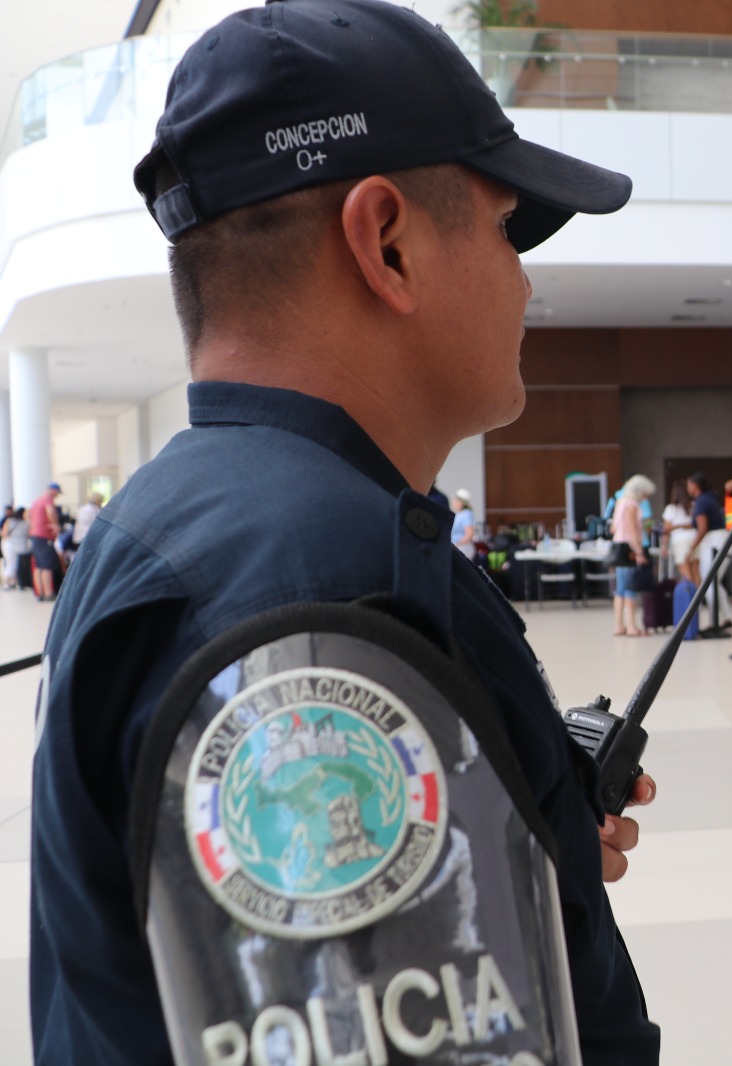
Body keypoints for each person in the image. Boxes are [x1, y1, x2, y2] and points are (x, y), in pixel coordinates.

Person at [31, 3, 659, 1061]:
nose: (526, 279)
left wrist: (517, 831)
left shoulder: (179, 523)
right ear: (388, 244)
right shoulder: (319, 594)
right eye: (507, 230)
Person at [611, 475, 653, 637]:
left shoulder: (620, 502)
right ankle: (631, 626)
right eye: (645, 494)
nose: (645, 498)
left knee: (620, 589)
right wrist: (639, 552)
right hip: (629, 549)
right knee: (630, 588)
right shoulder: (633, 505)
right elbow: (632, 530)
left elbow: (613, 528)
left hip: (618, 548)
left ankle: (618, 625)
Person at [686, 471, 723, 585]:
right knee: (711, 583)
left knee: (709, 583)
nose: (687, 488)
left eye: (688, 485)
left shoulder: (702, 501)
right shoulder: (709, 497)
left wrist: (691, 549)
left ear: (695, 485)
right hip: (718, 538)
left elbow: (702, 528)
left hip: (714, 540)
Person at [27, 481, 62, 600]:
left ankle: (40, 593)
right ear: (53, 490)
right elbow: (50, 511)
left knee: (39, 566)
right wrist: (55, 524)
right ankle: (48, 593)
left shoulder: (37, 500)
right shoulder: (48, 499)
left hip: (35, 536)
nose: (57, 495)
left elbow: (28, 515)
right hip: (44, 536)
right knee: (47, 566)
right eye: (57, 493)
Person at [662, 480, 697, 582]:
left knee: (686, 574)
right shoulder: (694, 506)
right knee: (696, 573)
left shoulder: (671, 509)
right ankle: (701, 592)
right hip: (695, 540)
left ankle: (690, 592)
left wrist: (664, 546)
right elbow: (696, 524)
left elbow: (666, 530)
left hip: (680, 541)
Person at [1, 506, 27, 590]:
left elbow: (4, 534)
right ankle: (10, 582)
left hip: (9, 545)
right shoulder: (26, 523)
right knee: (13, 564)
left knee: (11, 564)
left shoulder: (9, 521)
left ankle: (10, 582)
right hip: (20, 546)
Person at [450, 487, 477, 558]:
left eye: (455, 500)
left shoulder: (466, 514)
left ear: (461, 502)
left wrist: (457, 544)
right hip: (458, 547)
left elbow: (469, 533)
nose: (453, 502)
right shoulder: (459, 514)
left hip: (463, 547)